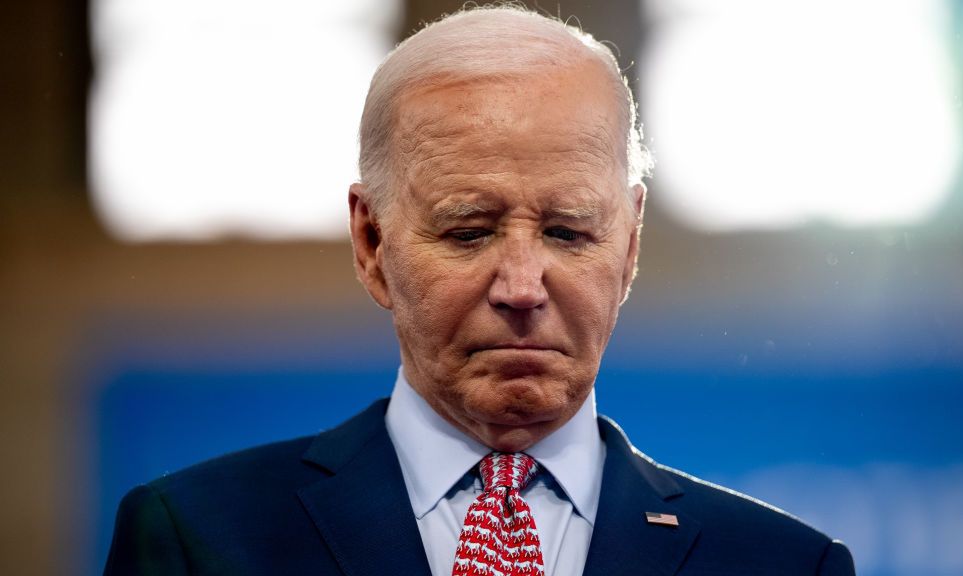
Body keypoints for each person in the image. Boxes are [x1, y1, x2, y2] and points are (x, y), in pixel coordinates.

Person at [104, 6, 855, 576]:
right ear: (371, 243)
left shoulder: (785, 564)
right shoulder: (197, 539)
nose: (523, 288)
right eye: (469, 231)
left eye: (567, 232)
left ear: (630, 243)